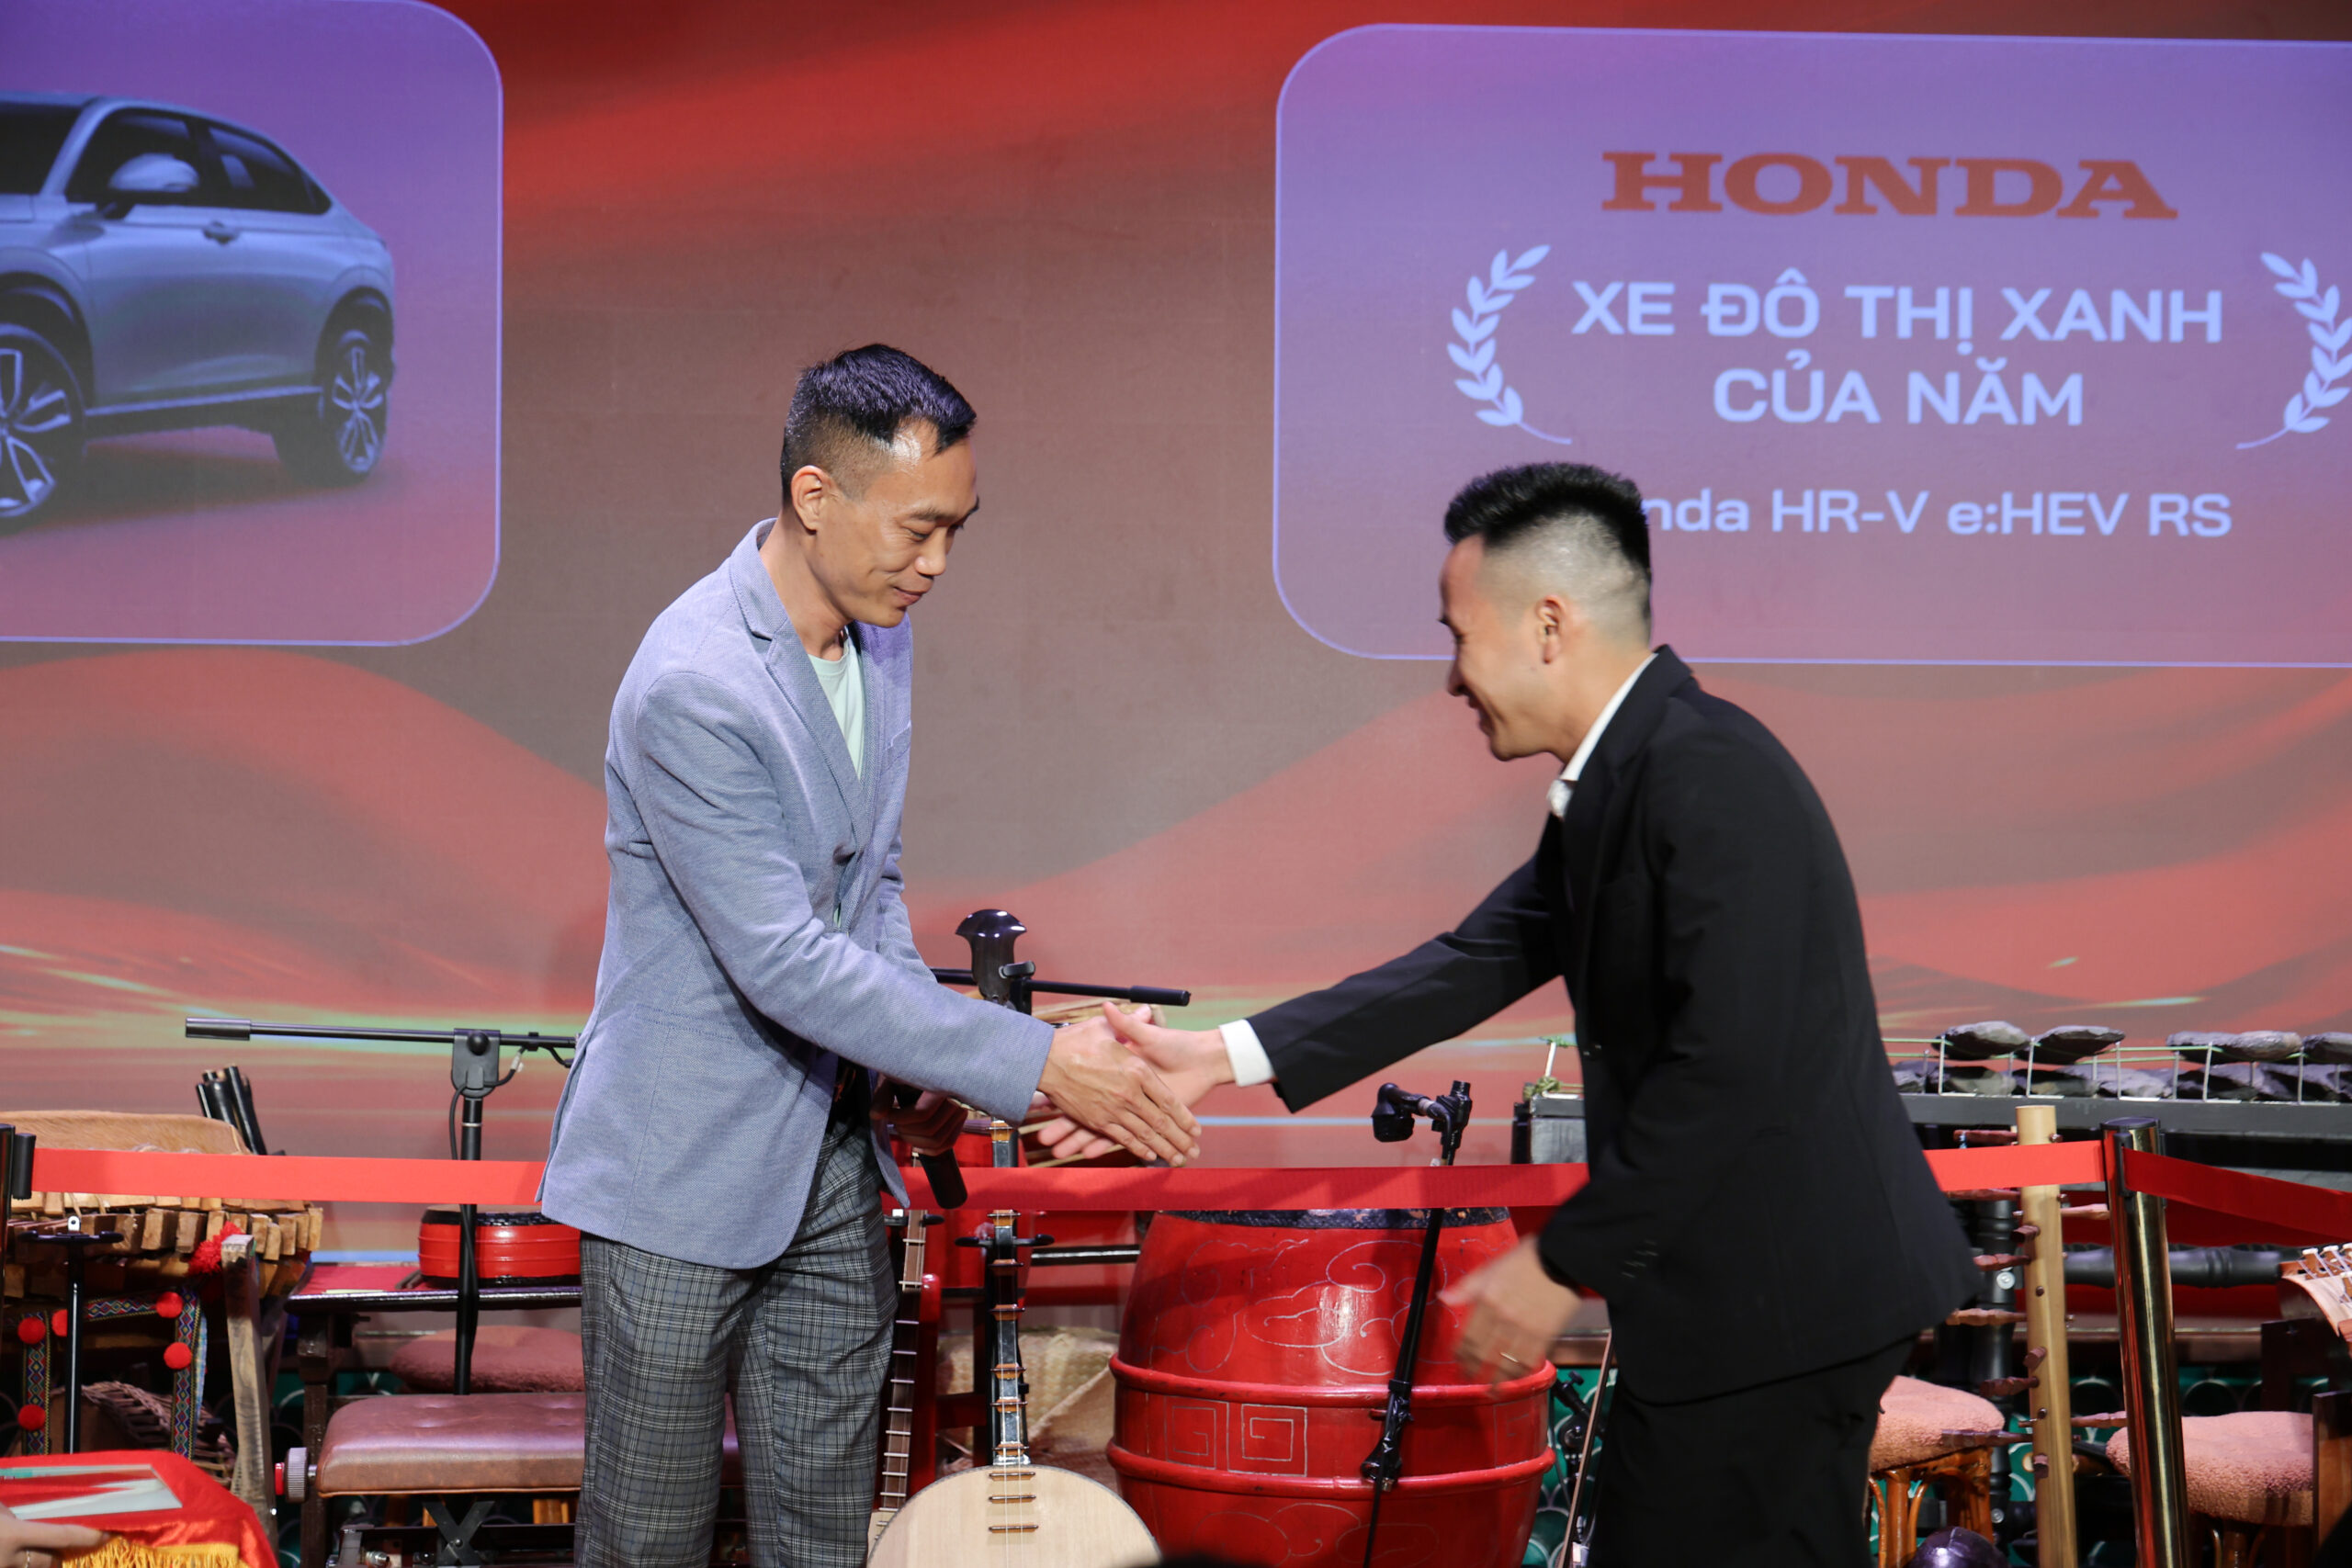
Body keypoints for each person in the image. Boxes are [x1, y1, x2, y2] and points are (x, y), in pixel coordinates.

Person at [1078, 463, 1979, 1566]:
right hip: (1738, 1306)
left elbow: (1730, 1063)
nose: (1454, 677)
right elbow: (1475, 959)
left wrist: (1560, 1261)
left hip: (1783, 1302)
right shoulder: (1625, 779)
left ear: (1549, 625)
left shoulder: (1705, 771)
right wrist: (1216, 1057)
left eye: (1461, 636)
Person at [539, 344, 1200, 1568]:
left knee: (823, 1539)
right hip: (679, 1175)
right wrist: (1034, 1062)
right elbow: (785, 959)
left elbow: (868, 889)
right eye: (918, 527)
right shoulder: (694, 682)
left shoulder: (880, 638)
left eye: (956, 529)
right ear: (814, 496)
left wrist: (909, 1069)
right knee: (648, 1540)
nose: (937, 562)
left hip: (838, 1166)